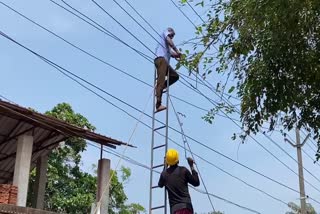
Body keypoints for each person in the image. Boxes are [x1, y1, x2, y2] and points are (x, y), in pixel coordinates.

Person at [158, 149, 200, 214]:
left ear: (167, 161)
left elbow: (160, 185)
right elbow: (196, 182)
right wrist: (191, 166)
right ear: (177, 160)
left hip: (175, 209)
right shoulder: (183, 170)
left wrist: (165, 166)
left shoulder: (164, 174)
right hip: (186, 207)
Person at [154, 27, 181, 112]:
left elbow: (173, 54)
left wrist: (178, 55)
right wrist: (177, 50)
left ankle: (163, 86)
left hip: (165, 63)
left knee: (175, 76)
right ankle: (158, 105)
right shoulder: (165, 34)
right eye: (172, 35)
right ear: (169, 32)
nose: (172, 37)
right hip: (161, 60)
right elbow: (169, 41)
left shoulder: (167, 47)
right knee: (160, 81)